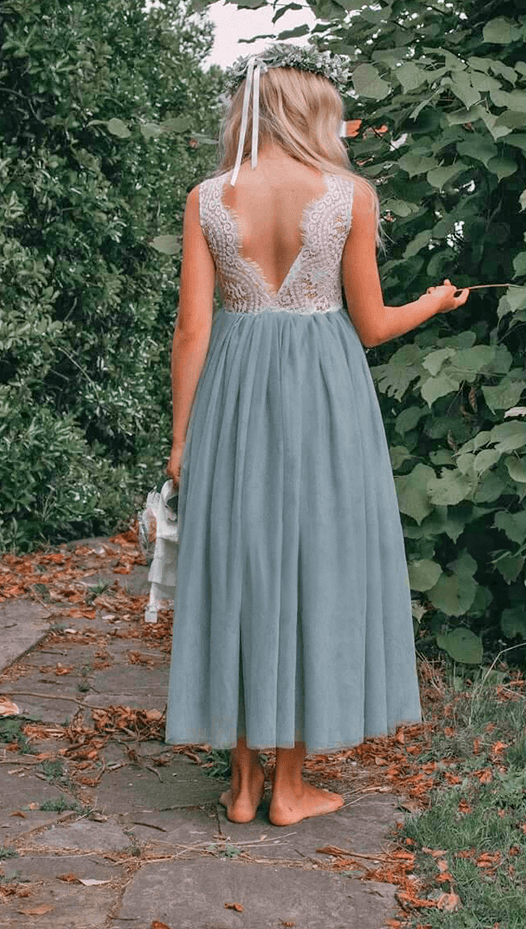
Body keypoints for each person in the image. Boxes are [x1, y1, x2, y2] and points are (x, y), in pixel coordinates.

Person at [163, 43, 470, 827]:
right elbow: (369, 324)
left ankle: (239, 787)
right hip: (324, 397)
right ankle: (291, 790)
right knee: (311, 565)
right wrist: (433, 304)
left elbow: (192, 330)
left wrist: (181, 438)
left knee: (236, 564)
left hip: (232, 393)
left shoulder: (206, 198)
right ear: (310, 111)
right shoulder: (347, 196)